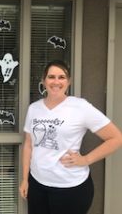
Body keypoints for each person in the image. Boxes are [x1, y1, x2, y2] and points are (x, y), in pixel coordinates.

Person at [19, 60, 122, 214]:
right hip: (37, 184)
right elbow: (28, 145)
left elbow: (116, 138)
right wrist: (25, 179)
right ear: (43, 80)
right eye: (51, 77)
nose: (56, 82)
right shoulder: (34, 109)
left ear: (69, 82)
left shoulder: (80, 107)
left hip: (70, 188)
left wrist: (86, 159)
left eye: (61, 77)